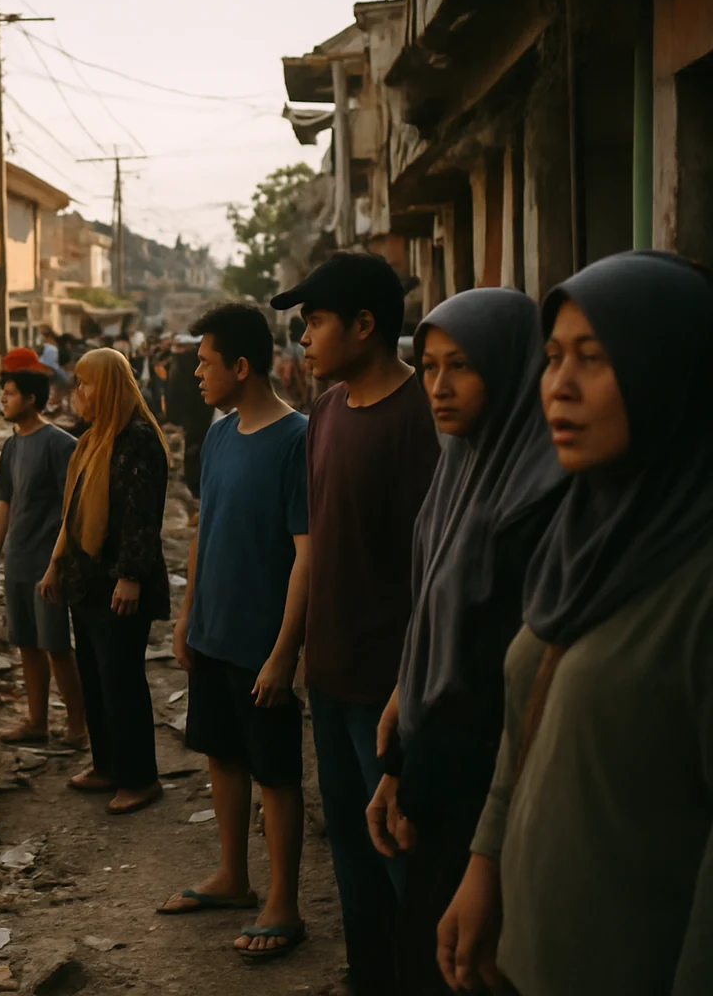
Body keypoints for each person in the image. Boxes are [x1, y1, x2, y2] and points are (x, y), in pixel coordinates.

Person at [437, 253, 713, 996]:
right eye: (553, 357)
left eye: (593, 358)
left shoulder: (697, 579)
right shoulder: (584, 534)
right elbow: (528, 721)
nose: (558, 385)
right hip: (528, 957)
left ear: (669, 373)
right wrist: (486, 863)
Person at [362, 290, 567, 994]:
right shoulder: (458, 468)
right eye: (428, 366)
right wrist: (399, 764)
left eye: (462, 366)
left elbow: (505, 684)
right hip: (438, 775)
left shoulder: (544, 498)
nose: (439, 387)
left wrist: (484, 844)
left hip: (491, 798)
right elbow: (432, 623)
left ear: (511, 370)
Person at [270, 252, 439, 996]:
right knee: (348, 848)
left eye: (315, 321)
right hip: (331, 675)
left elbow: (435, 570)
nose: (303, 338)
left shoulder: (423, 418)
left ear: (365, 325)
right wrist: (292, 650)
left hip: (391, 688)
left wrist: (412, 681)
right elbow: (315, 544)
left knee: (402, 852)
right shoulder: (327, 413)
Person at [159, 303, 310, 962]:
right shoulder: (219, 435)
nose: (196, 373)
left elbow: (307, 553)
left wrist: (284, 652)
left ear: (241, 366)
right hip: (213, 631)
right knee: (222, 755)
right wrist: (188, 614)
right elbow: (204, 528)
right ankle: (232, 875)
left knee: (275, 772)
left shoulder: (297, 439)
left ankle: (284, 902)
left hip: (261, 641)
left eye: (205, 362)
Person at [38, 348, 169, 815]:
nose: (79, 392)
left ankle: (140, 777)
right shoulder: (93, 439)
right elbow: (74, 512)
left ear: (110, 386)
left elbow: (141, 516)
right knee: (94, 676)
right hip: (87, 580)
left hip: (119, 582)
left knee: (121, 681)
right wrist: (56, 564)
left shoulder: (138, 440)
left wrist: (130, 575)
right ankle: (107, 764)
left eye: (86, 383)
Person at [0, 348, 88, 748]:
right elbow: (4, 503)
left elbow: (73, 510)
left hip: (48, 564)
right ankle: (37, 722)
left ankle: (78, 728)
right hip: (18, 560)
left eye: (10, 394)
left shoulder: (59, 444)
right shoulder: (12, 446)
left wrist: (58, 565)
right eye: (4, 393)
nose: (4, 399)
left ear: (31, 399)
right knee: (26, 644)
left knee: (56, 646)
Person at [165, 321, 214, 500]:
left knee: (193, 445)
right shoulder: (195, 362)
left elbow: (175, 391)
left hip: (195, 412)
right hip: (202, 411)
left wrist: (174, 415)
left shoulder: (182, 362)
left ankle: (194, 482)